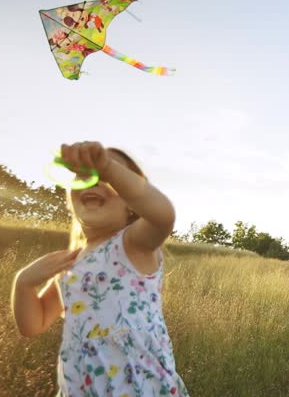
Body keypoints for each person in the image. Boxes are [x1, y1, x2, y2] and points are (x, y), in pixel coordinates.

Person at [11, 141, 189, 396]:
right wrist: (24, 283)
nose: (95, 179)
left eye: (107, 176)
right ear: (70, 199)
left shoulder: (133, 244)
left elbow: (163, 216)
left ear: (131, 204)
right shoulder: (69, 265)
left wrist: (107, 167)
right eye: (84, 175)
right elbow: (32, 325)